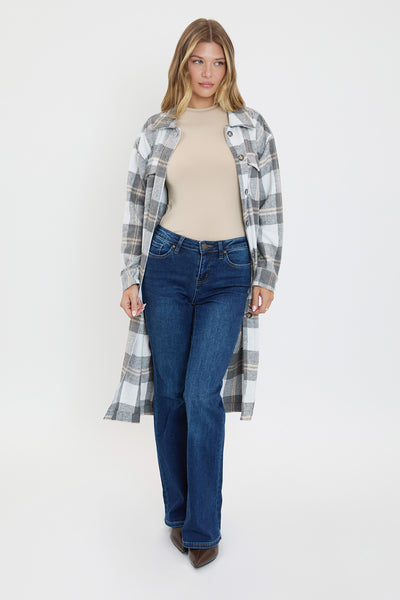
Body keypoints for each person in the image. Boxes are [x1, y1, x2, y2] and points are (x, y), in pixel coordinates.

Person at [103, 18, 283, 569]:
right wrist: (130, 276)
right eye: (198, 61)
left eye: (218, 61)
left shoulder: (251, 128)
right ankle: (178, 514)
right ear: (183, 64)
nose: (208, 72)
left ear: (229, 67)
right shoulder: (158, 129)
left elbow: (270, 202)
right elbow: (136, 204)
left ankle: (205, 528)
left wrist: (266, 275)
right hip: (168, 264)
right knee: (172, 395)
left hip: (230, 269)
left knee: (203, 394)